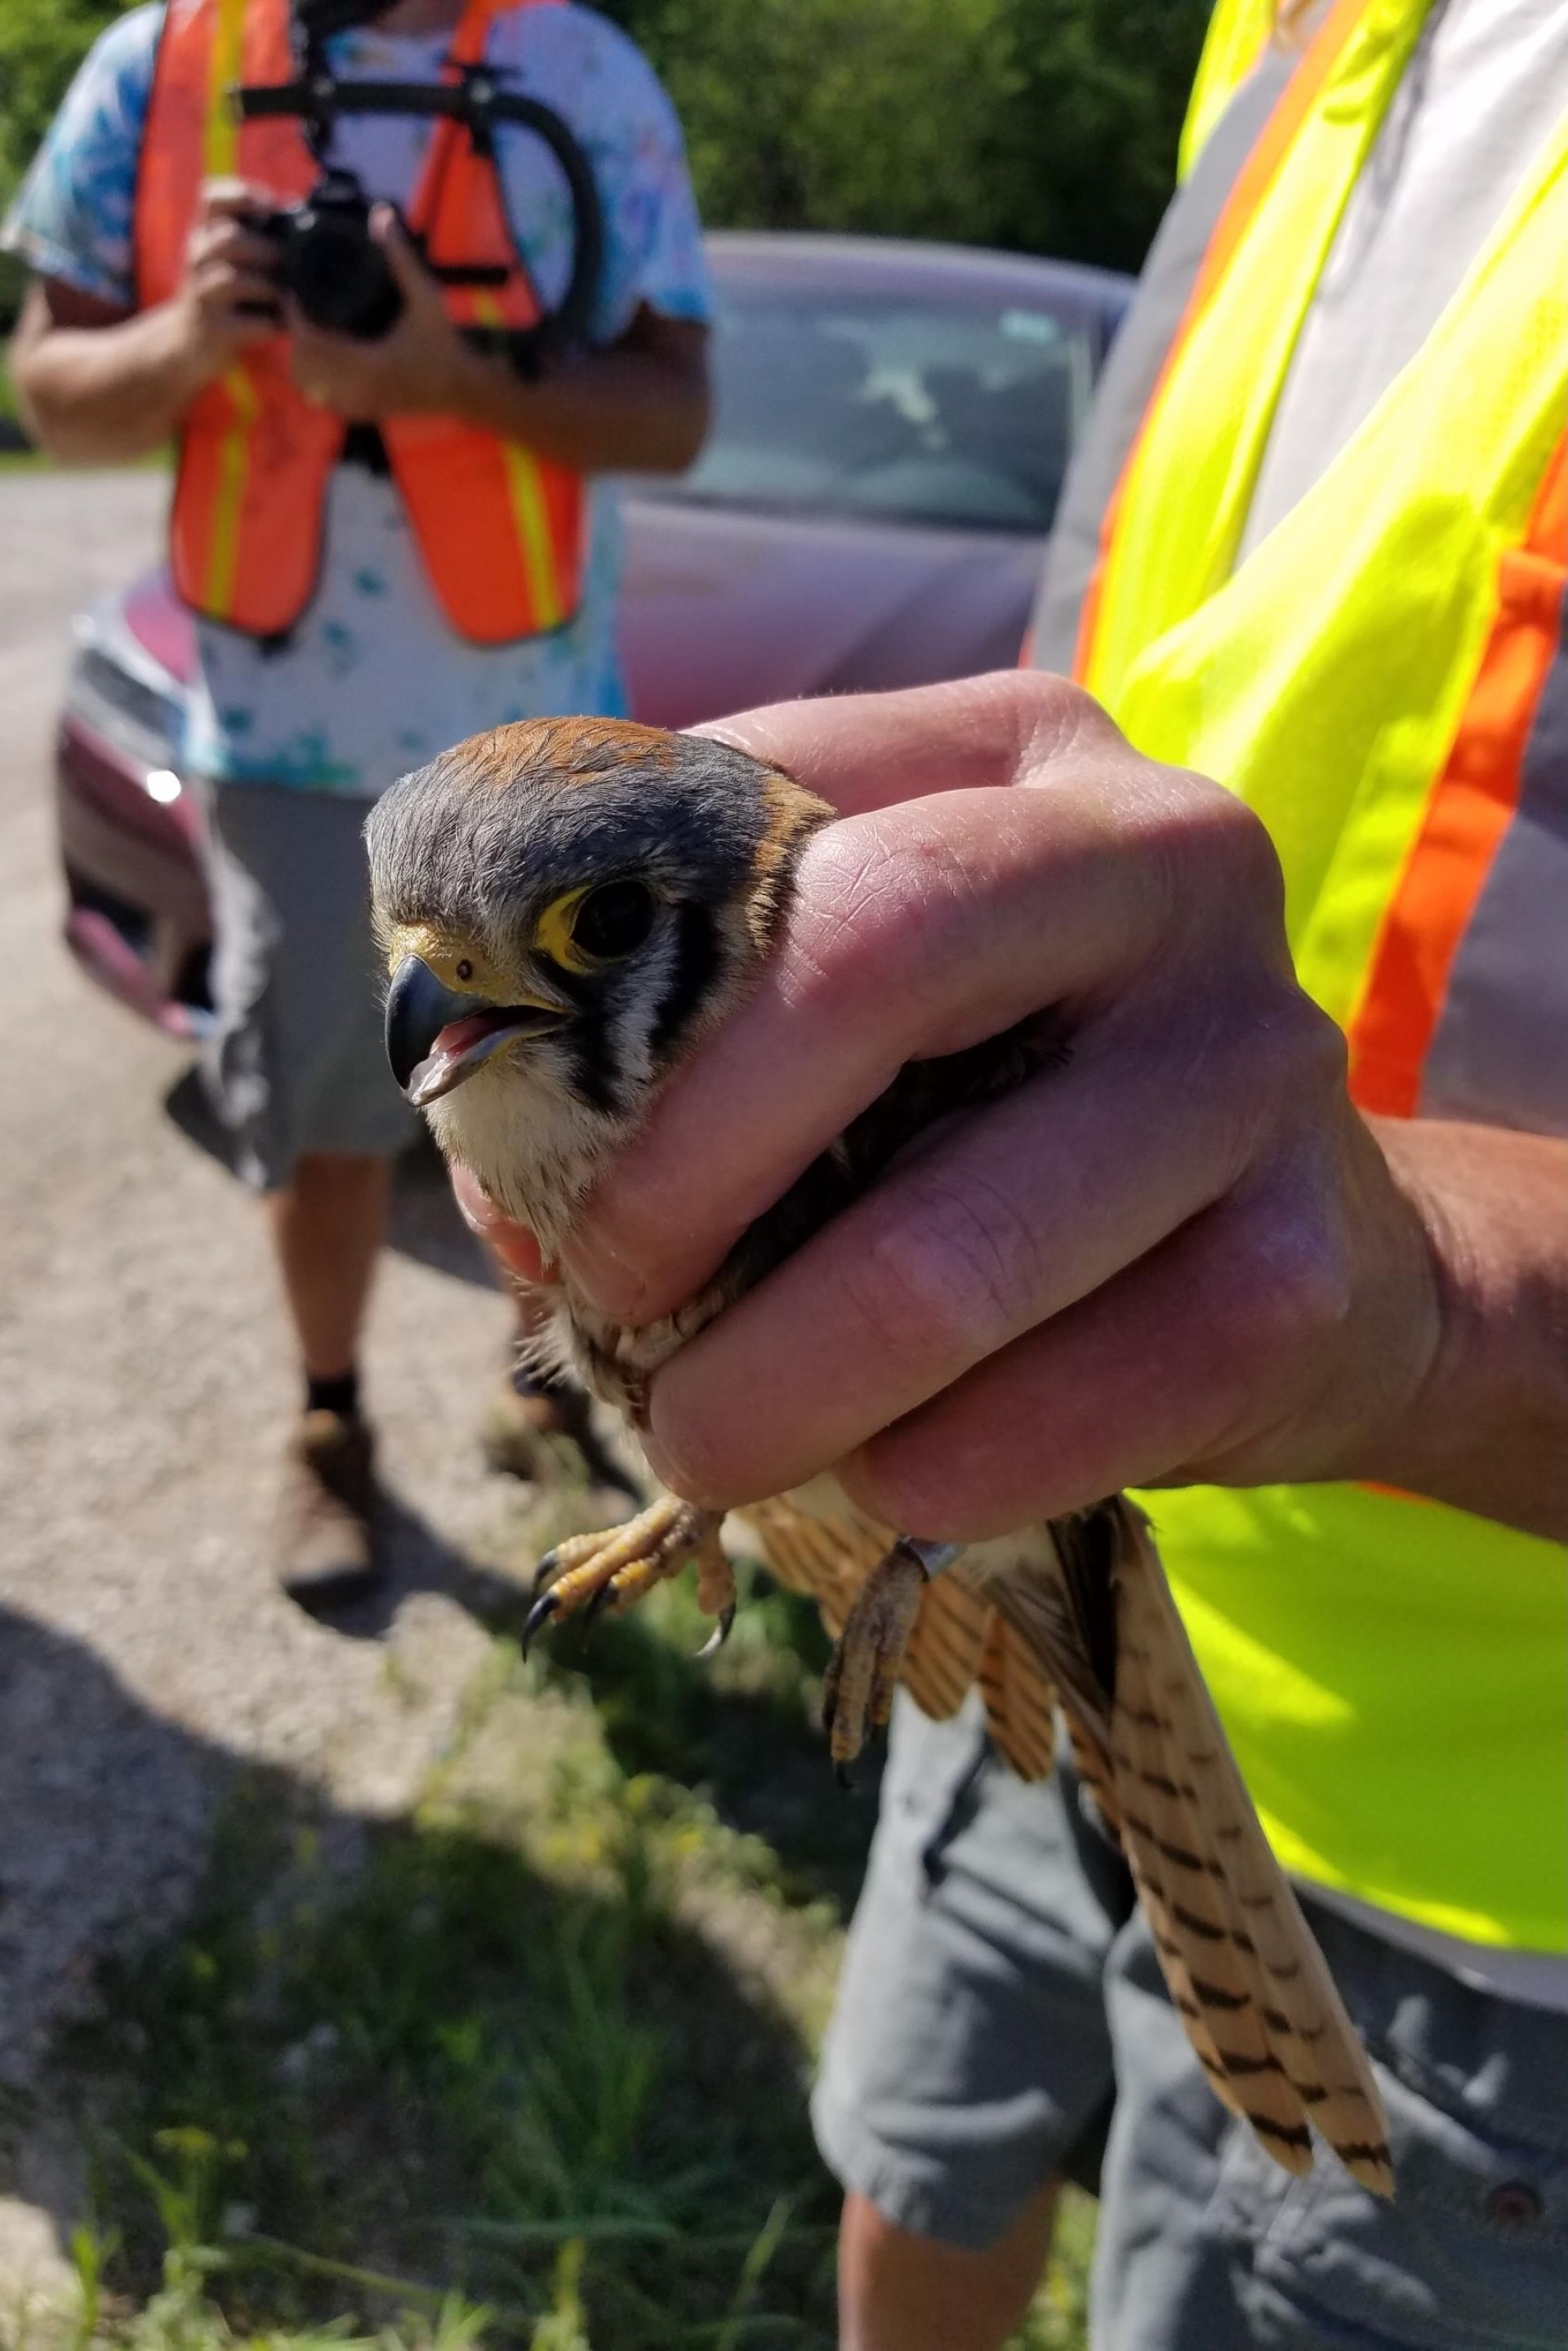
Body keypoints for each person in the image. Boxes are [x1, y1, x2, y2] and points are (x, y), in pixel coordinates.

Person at [461, 0, 1568, 2342]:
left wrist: (1429, 1300)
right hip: (979, 1555)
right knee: (912, 2164)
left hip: (1493, 1866)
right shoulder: (1298, 31)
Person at [3, 0, 709, 1600]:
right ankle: (327, 1423)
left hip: (532, 746)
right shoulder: (162, 68)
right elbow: (52, 396)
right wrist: (186, 341)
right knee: (323, 1120)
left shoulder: (582, 74)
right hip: (283, 745)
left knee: (550, 1120)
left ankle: (543, 1385)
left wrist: (456, 377)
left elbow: (670, 411)